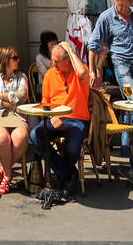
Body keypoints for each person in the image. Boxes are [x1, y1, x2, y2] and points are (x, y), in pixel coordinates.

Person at [88, 0, 133, 170]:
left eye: (125, 6)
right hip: (122, 65)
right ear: (114, 2)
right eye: (119, 6)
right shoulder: (106, 17)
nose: (122, 9)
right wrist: (92, 71)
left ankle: (129, 151)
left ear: (130, 3)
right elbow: (93, 45)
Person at [28, 41, 91, 205]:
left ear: (67, 60)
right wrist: (52, 117)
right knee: (35, 135)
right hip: (55, 118)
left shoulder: (80, 71)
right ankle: (67, 174)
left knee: (73, 147)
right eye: (52, 60)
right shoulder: (50, 74)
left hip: (77, 119)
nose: (53, 64)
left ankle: (64, 175)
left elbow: (82, 73)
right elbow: (45, 101)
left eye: (56, 61)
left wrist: (70, 49)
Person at [0, 47, 28, 195]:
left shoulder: (21, 76)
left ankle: (4, 168)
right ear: (5, 60)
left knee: (21, 137)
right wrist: (10, 102)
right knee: (3, 138)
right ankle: (8, 177)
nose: (18, 60)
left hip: (16, 115)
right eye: (14, 58)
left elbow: (22, 97)